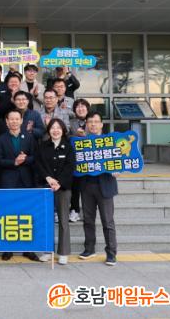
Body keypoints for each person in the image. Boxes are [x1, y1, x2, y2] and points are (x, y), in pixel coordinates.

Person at [0, 109, 39, 262]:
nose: (14, 122)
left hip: (26, 181)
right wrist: (14, 162)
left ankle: (28, 249)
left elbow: (35, 157)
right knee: (8, 214)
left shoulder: (29, 137)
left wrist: (25, 159)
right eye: (11, 119)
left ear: (21, 121)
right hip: (8, 181)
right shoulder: (1, 139)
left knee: (27, 215)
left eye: (17, 119)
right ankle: (8, 249)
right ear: (7, 122)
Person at [77, 112, 118, 266]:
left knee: (107, 221)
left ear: (101, 124)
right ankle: (89, 249)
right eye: (90, 122)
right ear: (86, 125)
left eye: (96, 121)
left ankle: (111, 253)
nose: (93, 124)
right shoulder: (81, 143)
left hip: (105, 185)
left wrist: (117, 168)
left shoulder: (111, 142)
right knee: (88, 220)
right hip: (86, 185)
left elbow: (120, 160)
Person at [36, 119, 75, 265]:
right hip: (46, 187)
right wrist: (48, 178)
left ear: (63, 130)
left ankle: (63, 252)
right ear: (48, 130)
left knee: (63, 220)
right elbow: (38, 164)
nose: (55, 130)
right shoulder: (42, 146)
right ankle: (47, 251)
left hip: (63, 188)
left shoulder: (68, 147)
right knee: (46, 220)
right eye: (53, 128)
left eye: (58, 128)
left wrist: (59, 183)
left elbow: (70, 167)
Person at [68, 98, 91, 223]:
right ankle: (74, 210)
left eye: (83, 106)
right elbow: (65, 136)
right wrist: (76, 136)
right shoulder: (70, 122)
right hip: (75, 160)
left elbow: (99, 136)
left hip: (90, 160)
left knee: (88, 188)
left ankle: (88, 212)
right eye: (78, 107)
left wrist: (86, 136)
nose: (80, 109)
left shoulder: (93, 121)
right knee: (75, 186)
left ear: (87, 109)